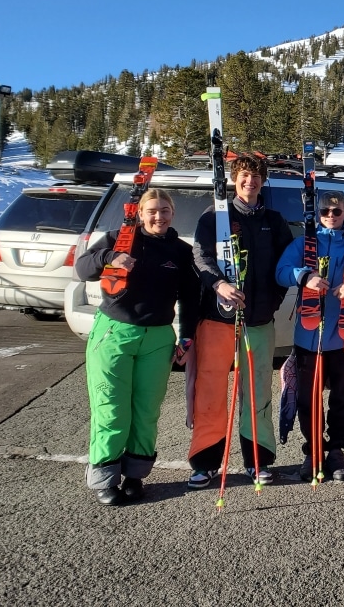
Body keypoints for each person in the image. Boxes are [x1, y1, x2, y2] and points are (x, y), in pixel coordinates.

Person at [75, 188, 200, 506]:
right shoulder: (120, 238)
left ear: (173, 213)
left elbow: (189, 298)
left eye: (165, 210)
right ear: (140, 213)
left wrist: (186, 337)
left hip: (158, 339)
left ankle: (135, 475)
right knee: (112, 409)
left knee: (146, 412)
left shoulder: (181, 251)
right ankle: (105, 477)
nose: (159, 216)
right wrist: (109, 257)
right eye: (152, 211)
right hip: (115, 333)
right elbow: (83, 269)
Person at [187, 153, 294, 488]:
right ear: (234, 178)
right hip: (218, 319)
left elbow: (284, 265)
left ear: (263, 181)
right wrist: (219, 284)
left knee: (257, 391)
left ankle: (257, 459)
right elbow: (201, 255)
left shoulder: (274, 220)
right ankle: (206, 462)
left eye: (257, 176)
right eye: (244, 175)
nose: (250, 181)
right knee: (211, 391)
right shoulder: (215, 216)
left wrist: (273, 300)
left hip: (259, 320)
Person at [275, 190, 344, 482]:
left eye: (337, 212)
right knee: (307, 398)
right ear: (317, 213)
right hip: (309, 337)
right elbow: (281, 271)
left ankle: (336, 449)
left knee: (341, 396)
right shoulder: (304, 243)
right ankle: (313, 450)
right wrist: (305, 276)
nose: (331, 216)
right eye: (326, 211)